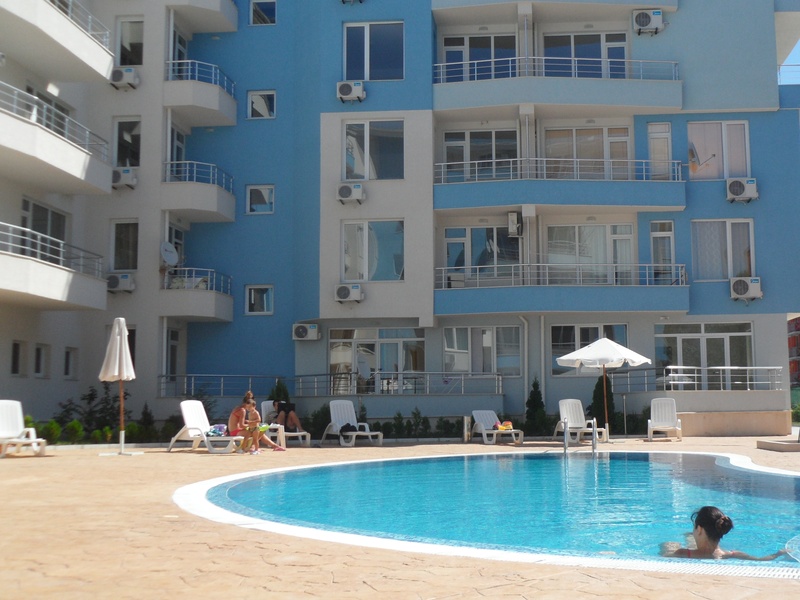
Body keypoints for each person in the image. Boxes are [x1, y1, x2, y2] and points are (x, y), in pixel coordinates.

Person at [660, 506, 787, 561]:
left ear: (699, 529)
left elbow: (664, 559)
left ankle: (688, 540)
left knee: (669, 544)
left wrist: (665, 549)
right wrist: (779, 553)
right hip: (717, 552)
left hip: (691, 553)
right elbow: (761, 560)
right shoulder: (732, 554)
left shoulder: (682, 553)